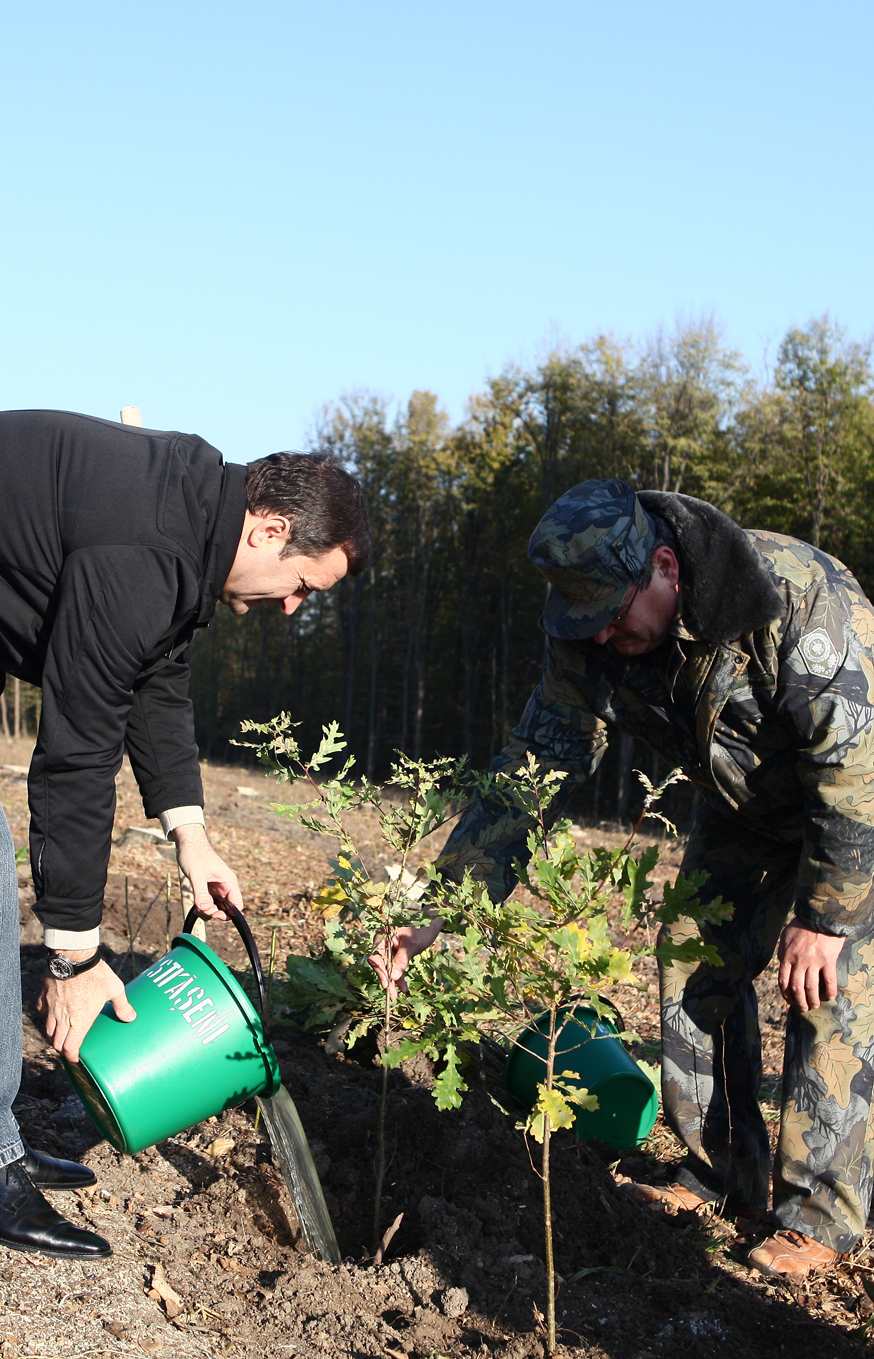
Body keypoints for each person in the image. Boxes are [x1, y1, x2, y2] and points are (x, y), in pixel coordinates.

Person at [371, 477, 874, 1282]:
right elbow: (531, 770)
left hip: (854, 805)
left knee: (826, 981)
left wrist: (827, 915)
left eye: (613, 613)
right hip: (744, 809)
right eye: (586, 621)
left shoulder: (791, 597)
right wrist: (442, 908)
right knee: (693, 949)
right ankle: (722, 1172)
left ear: (666, 568)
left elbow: (854, 765)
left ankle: (820, 1215)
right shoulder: (589, 633)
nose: (603, 636)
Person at [0, 408, 370, 1259]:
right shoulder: (147, 549)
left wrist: (191, 836)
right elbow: (76, 754)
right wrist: (75, 959)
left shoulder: (189, 520)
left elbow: (158, 684)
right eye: (304, 584)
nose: (295, 607)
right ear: (269, 529)